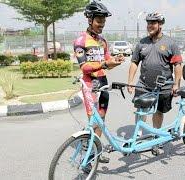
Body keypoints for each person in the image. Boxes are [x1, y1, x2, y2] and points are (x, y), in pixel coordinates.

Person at [73, 1, 125, 163]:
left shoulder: (103, 41)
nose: (101, 24)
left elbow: (108, 61)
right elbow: (84, 67)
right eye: (98, 21)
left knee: (101, 120)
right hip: (90, 85)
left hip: (103, 84)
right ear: (90, 19)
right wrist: (104, 64)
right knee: (93, 121)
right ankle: (87, 158)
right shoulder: (81, 41)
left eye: (103, 21)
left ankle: (96, 151)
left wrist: (115, 61)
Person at [127, 12, 183, 136]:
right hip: (144, 84)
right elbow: (134, 62)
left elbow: (177, 65)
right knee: (141, 109)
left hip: (163, 85)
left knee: (158, 111)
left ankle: (156, 135)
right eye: (148, 23)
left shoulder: (170, 43)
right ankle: (138, 136)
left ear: (160, 24)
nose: (149, 26)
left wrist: (176, 85)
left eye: (153, 23)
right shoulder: (142, 43)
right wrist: (130, 81)